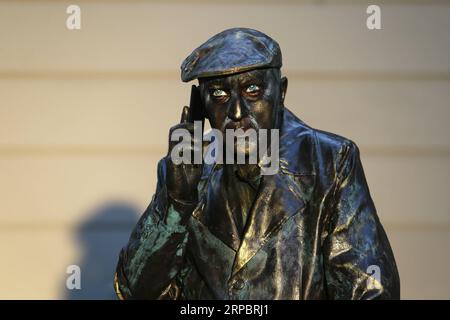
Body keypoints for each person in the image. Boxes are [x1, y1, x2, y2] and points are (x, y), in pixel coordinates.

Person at [114, 28, 400, 299]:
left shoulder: (331, 163)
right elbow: (134, 292)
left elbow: (370, 289)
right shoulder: (186, 172)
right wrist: (176, 205)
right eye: (219, 95)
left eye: (252, 90)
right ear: (201, 106)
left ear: (281, 92)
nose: (236, 111)